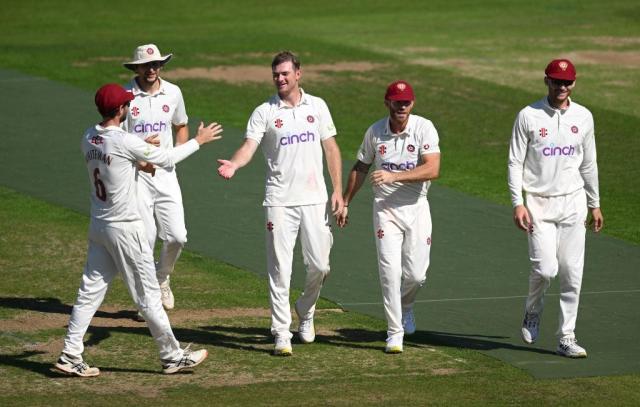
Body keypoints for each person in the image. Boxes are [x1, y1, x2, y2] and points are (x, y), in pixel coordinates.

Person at [54, 83, 222, 377]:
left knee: (89, 291)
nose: (129, 107)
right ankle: (171, 357)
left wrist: (139, 159)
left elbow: (118, 163)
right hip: (125, 230)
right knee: (147, 295)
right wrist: (199, 140)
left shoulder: (89, 137)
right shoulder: (124, 141)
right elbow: (166, 159)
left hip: (99, 226)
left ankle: (70, 353)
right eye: (125, 105)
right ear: (120, 110)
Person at [217, 51, 344, 356]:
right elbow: (249, 146)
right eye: (276, 74)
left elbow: (331, 148)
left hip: (315, 198)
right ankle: (281, 333)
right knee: (279, 269)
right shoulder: (264, 111)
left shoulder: (318, 106)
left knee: (320, 265)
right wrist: (235, 164)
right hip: (279, 201)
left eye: (285, 73)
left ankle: (306, 308)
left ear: (298, 73)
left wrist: (338, 189)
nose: (280, 79)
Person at [508, 59, 604, 358]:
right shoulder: (529, 115)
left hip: (573, 202)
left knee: (572, 274)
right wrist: (517, 203)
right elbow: (515, 162)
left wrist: (595, 203)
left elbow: (589, 163)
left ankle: (566, 337)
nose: (562, 87)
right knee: (546, 268)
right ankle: (532, 310)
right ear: (546, 81)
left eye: (567, 82)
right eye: (556, 81)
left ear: (574, 84)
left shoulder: (584, 117)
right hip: (538, 202)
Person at [337, 80, 440, 354]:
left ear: (412, 104)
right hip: (385, 210)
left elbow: (433, 169)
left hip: (417, 207)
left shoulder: (424, 128)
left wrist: (394, 176)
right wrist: (346, 201)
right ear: (387, 103)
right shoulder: (375, 132)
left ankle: (406, 306)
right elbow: (361, 166)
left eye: (406, 102)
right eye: (396, 102)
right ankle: (394, 332)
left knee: (416, 275)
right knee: (390, 272)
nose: (401, 106)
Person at [122, 44, 192, 311]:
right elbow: (118, 137)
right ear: (136, 67)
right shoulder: (125, 95)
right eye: (146, 65)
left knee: (177, 237)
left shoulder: (173, 92)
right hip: (137, 177)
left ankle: (161, 278)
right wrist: (139, 153)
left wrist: (173, 156)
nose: (151, 69)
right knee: (145, 239)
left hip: (165, 175)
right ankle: (148, 300)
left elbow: (181, 126)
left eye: (156, 65)